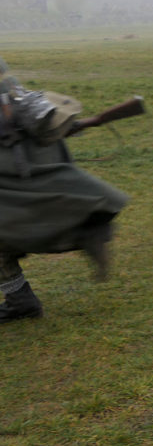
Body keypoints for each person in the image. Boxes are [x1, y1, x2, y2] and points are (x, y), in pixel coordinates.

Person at [1, 60, 124, 323]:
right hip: (23, 154)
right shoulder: (7, 79)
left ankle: (21, 302)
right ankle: (20, 299)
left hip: (12, 162)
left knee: (10, 226)